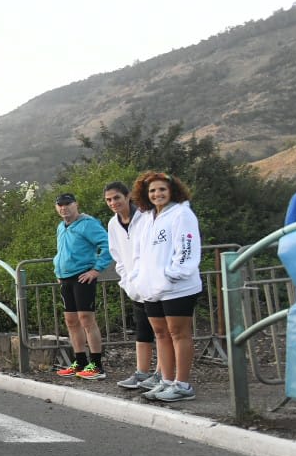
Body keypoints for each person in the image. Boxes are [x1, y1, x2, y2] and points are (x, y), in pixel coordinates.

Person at [129, 171, 203, 402]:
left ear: (172, 191)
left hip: (178, 287)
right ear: (145, 194)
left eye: (162, 189)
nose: (157, 194)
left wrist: (171, 275)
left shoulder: (182, 213)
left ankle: (182, 385)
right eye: (152, 190)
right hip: (151, 289)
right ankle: (167, 381)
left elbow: (187, 247)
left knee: (178, 333)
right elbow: (139, 254)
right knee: (160, 334)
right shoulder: (147, 218)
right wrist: (138, 279)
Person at [102, 181, 160, 391]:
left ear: (127, 197)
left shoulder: (146, 217)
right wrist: (127, 282)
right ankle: (141, 372)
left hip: (153, 284)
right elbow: (117, 255)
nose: (113, 203)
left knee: (161, 332)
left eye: (117, 197)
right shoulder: (112, 224)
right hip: (135, 287)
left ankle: (161, 373)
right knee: (142, 330)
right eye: (109, 199)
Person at [51, 192, 113, 380]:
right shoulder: (61, 227)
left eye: (68, 204)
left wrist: (96, 270)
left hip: (83, 277)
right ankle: (80, 361)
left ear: (76, 205)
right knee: (71, 321)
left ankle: (96, 365)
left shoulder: (88, 224)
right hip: (65, 278)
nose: (64, 208)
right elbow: (61, 251)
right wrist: (57, 271)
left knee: (87, 319)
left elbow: (109, 245)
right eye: (60, 205)